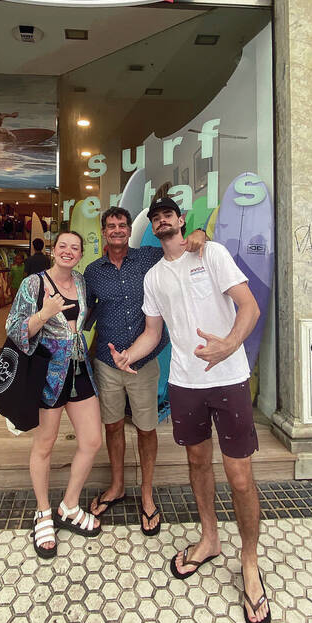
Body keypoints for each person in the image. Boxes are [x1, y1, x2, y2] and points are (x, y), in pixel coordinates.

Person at [109, 196, 270, 623]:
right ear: (153, 226)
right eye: (156, 215)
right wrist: (129, 356)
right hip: (185, 384)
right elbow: (153, 332)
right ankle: (210, 538)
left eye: (170, 214)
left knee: (240, 476)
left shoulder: (211, 252)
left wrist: (230, 344)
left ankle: (250, 562)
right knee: (197, 463)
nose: (162, 219)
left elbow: (249, 306)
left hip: (230, 379)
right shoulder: (154, 276)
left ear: (182, 221)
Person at [84, 206, 206, 535]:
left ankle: (147, 493)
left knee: (146, 429)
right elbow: (85, 314)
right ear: (104, 232)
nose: (118, 230)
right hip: (107, 364)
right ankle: (118, 485)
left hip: (143, 362)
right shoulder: (93, 273)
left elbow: (186, 246)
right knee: (112, 428)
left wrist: (201, 234)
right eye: (111, 226)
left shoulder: (150, 257)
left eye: (122, 225)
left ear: (129, 230)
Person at [6, 231, 102, 559]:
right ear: (53, 249)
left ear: (80, 254)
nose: (69, 251)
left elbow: (84, 321)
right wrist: (44, 314)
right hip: (49, 374)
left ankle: (69, 505)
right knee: (45, 444)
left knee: (91, 441)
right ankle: (43, 512)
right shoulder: (34, 284)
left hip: (80, 370)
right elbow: (14, 329)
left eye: (75, 248)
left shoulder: (82, 282)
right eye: (63, 246)